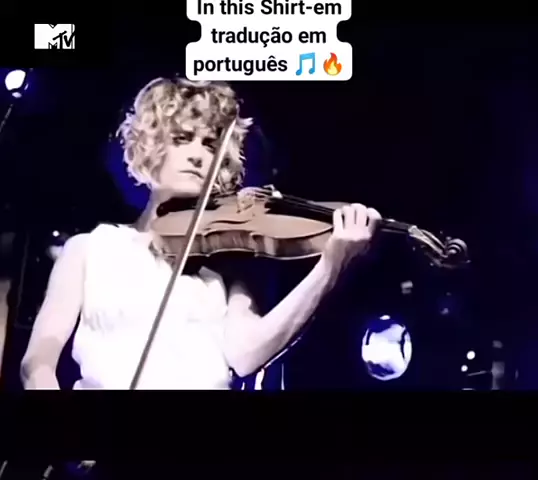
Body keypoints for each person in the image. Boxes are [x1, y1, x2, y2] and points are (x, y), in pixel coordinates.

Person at [20, 78, 381, 390]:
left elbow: (246, 355)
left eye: (210, 145)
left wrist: (330, 265)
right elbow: (38, 361)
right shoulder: (91, 248)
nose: (198, 156)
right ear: (150, 145)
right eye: (183, 138)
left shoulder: (224, 266)